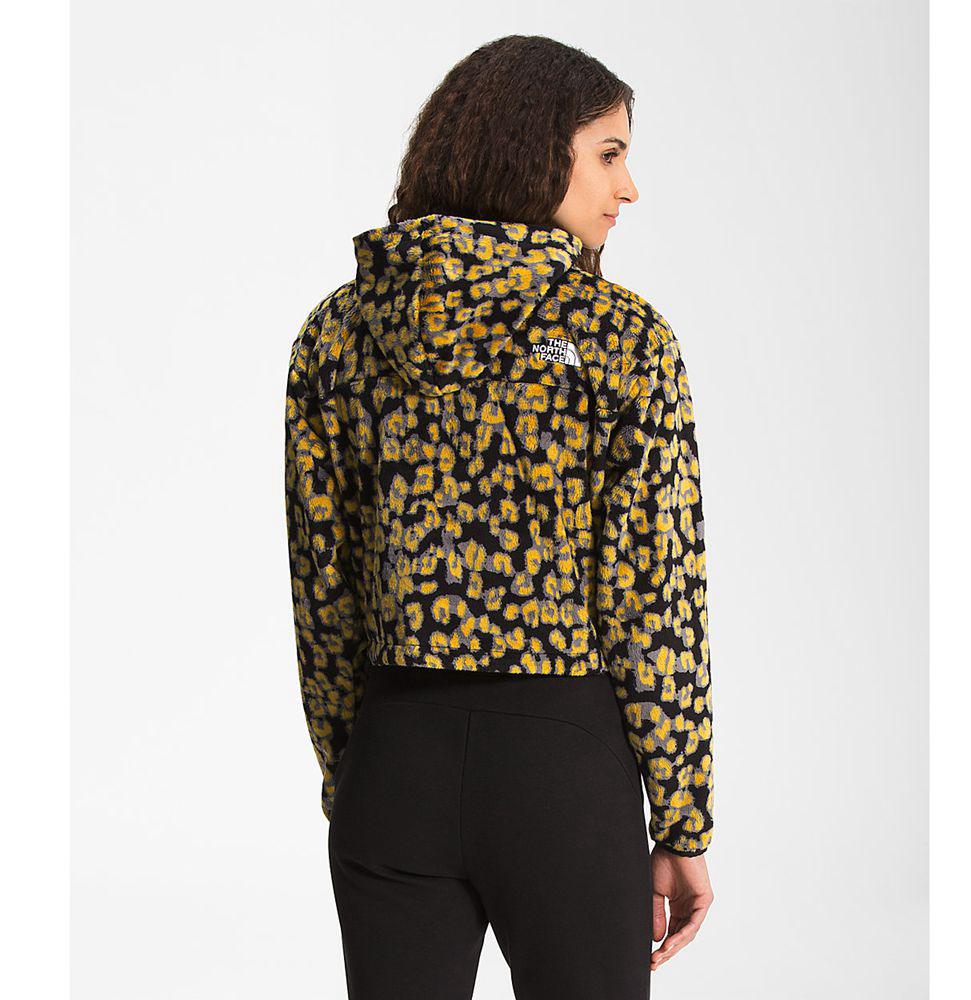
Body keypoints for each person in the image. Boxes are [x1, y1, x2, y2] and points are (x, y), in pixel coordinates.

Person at [284, 34, 715, 1000]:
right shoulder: (622, 340)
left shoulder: (337, 332)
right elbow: (656, 599)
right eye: (609, 154)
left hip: (392, 764)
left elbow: (324, 591)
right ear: (530, 151)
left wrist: (355, 777)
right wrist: (682, 819)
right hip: (564, 772)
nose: (629, 187)